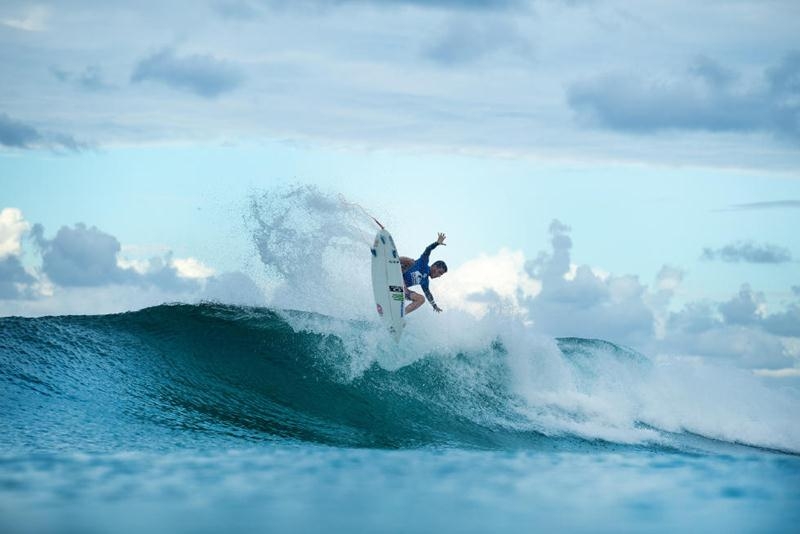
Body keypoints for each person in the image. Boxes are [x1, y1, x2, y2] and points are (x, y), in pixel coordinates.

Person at [400, 232, 448, 314]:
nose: (439, 276)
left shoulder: (425, 281)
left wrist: (435, 306)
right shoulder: (424, 262)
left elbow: (428, 294)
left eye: (441, 275)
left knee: (421, 299)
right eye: (439, 272)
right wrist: (436, 243)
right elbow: (428, 249)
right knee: (411, 261)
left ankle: (401, 314)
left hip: (400, 289)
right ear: (434, 266)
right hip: (398, 273)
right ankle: (392, 261)